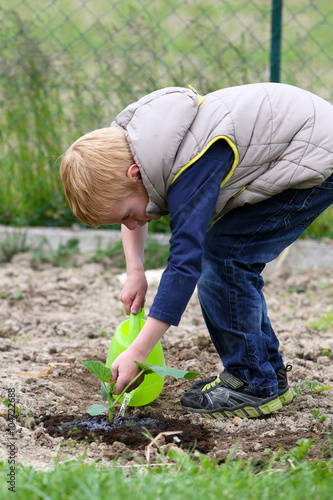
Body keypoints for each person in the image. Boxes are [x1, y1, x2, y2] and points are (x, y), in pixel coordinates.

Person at [60, 82, 333, 419]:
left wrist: (138, 352)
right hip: (300, 138)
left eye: (128, 216)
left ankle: (251, 382)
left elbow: (184, 264)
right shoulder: (137, 149)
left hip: (314, 152)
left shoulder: (191, 167)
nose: (130, 225)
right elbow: (133, 203)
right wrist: (135, 271)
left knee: (224, 257)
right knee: (228, 255)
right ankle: (266, 375)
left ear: (134, 175)